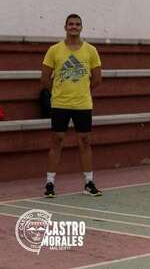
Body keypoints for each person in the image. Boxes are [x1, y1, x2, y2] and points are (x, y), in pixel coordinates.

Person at [41, 14, 103, 198]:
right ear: (65, 27)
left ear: (81, 27)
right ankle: (50, 183)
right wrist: (58, 92)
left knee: (85, 142)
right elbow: (44, 78)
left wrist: (82, 90)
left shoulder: (91, 50)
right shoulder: (54, 50)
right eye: (71, 24)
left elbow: (97, 78)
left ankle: (89, 182)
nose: (74, 27)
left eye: (77, 24)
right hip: (60, 104)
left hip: (83, 104)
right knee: (57, 141)